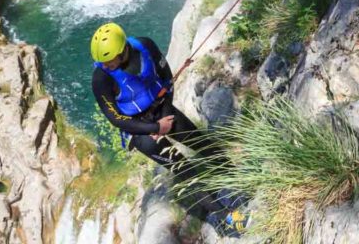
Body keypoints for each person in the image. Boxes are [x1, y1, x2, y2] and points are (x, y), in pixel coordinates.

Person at [90, 22, 247, 236]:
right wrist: (153, 128)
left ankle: (239, 179)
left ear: (123, 50)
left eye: (109, 61)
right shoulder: (101, 79)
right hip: (137, 130)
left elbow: (167, 79)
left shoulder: (145, 46)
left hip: (161, 110)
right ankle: (227, 218)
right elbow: (116, 119)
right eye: (103, 62)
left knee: (202, 143)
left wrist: (164, 118)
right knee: (185, 169)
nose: (105, 65)